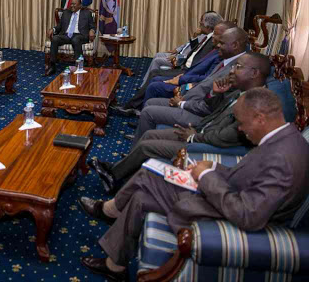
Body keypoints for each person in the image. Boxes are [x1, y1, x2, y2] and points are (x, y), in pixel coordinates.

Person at [79, 88, 309, 281]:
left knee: (147, 176)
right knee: (141, 194)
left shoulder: (283, 158)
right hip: (227, 195)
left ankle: (110, 209)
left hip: (226, 215)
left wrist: (207, 177)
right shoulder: (282, 139)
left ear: (260, 118)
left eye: (241, 122)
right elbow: (249, 177)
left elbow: (248, 215)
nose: (239, 128)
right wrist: (215, 169)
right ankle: (115, 265)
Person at [90, 52, 271, 193]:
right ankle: (119, 171)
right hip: (201, 129)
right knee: (149, 134)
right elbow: (215, 110)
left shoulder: (256, 104)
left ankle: (114, 174)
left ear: (254, 73)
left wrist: (194, 137)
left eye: (237, 67)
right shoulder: (239, 90)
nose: (232, 70)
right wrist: (215, 93)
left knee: (147, 145)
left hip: (203, 144)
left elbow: (228, 136)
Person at [112, 19, 231, 116]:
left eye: (216, 34)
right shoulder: (211, 43)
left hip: (188, 79)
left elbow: (205, 78)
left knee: (155, 80)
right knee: (155, 74)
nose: (213, 37)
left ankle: (138, 110)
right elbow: (193, 54)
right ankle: (136, 106)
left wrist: (181, 79)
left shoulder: (219, 52)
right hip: (186, 70)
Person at [139, 11, 223, 86]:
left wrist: (177, 57)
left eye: (201, 23)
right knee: (158, 55)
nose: (199, 23)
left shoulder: (208, 40)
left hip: (183, 63)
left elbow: (194, 56)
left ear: (208, 27)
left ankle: (145, 84)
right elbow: (188, 46)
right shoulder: (203, 36)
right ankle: (145, 83)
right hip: (181, 56)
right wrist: (177, 50)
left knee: (157, 62)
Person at [46, 0, 95, 76]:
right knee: (55, 38)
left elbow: (92, 26)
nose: (72, 6)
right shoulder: (66, 13)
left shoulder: (87, 13)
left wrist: (92, 31)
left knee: (76, 39)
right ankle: (52, 66)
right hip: (66, 35)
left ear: (80, 6)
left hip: (80, 35)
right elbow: (59, 26)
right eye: (71, 4)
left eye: (74, 4)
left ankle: (78, 66)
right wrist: (53, 29)